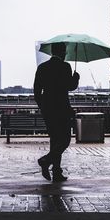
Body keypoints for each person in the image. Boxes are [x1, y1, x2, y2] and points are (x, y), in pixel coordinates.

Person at [33, 42, 80, 182]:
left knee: (55, 140)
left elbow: (36, 91)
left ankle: (57, 172)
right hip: (62, 109)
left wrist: (43, 106)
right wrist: (76, 78)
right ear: (62, 52)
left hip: (48, 110)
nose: (66, 54)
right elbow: (70, 86)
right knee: (65, 140)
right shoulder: (65, 67)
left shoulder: (42, 67)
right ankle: (46, 161)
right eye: (65, 51)